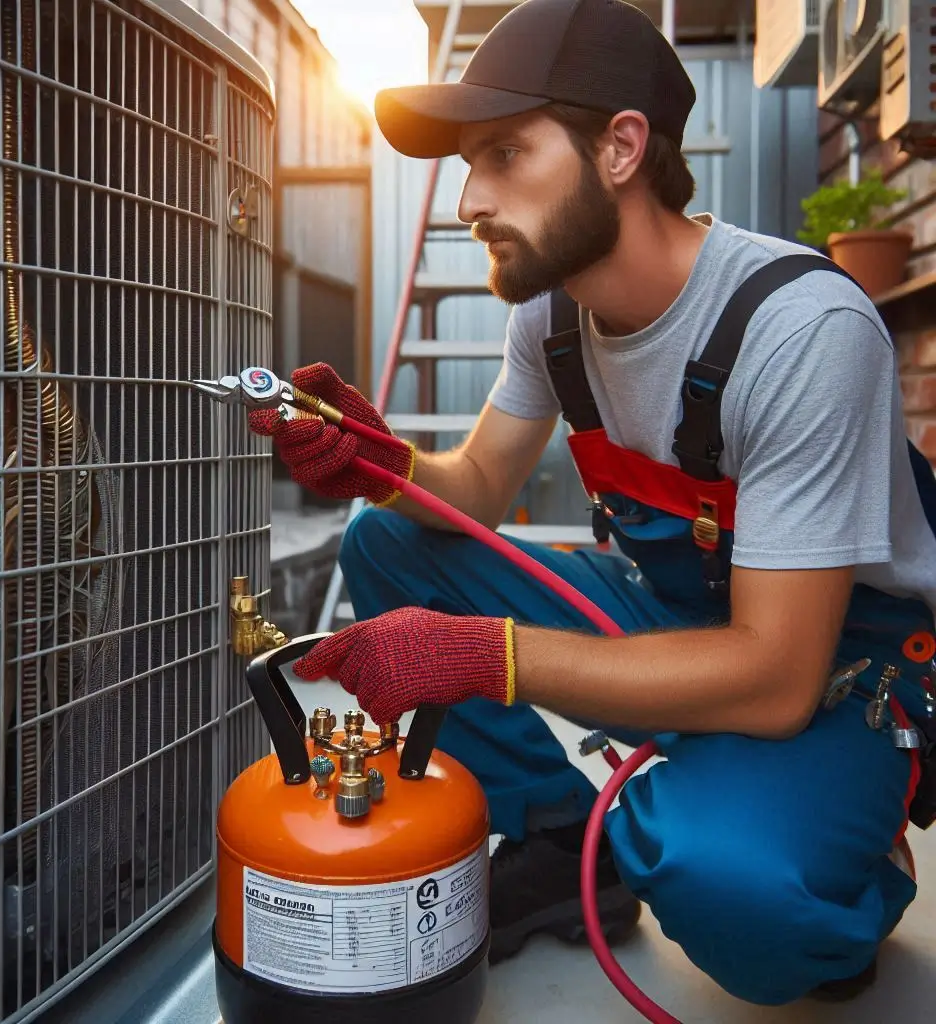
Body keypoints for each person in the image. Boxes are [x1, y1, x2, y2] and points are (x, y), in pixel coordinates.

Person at [248, 0, 936, 1007]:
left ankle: (848, 858)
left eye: (504, 153)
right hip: (683, 610)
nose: (468, 199)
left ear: (619, 147)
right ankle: (568, 838)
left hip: (837, 661)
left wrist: (477, 654)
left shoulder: (799, 329)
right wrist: (376, 461)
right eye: (467, 165)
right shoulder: (552, 316)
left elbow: (778, 675)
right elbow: (477, 487)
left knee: (737, 897)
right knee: (388, 540)